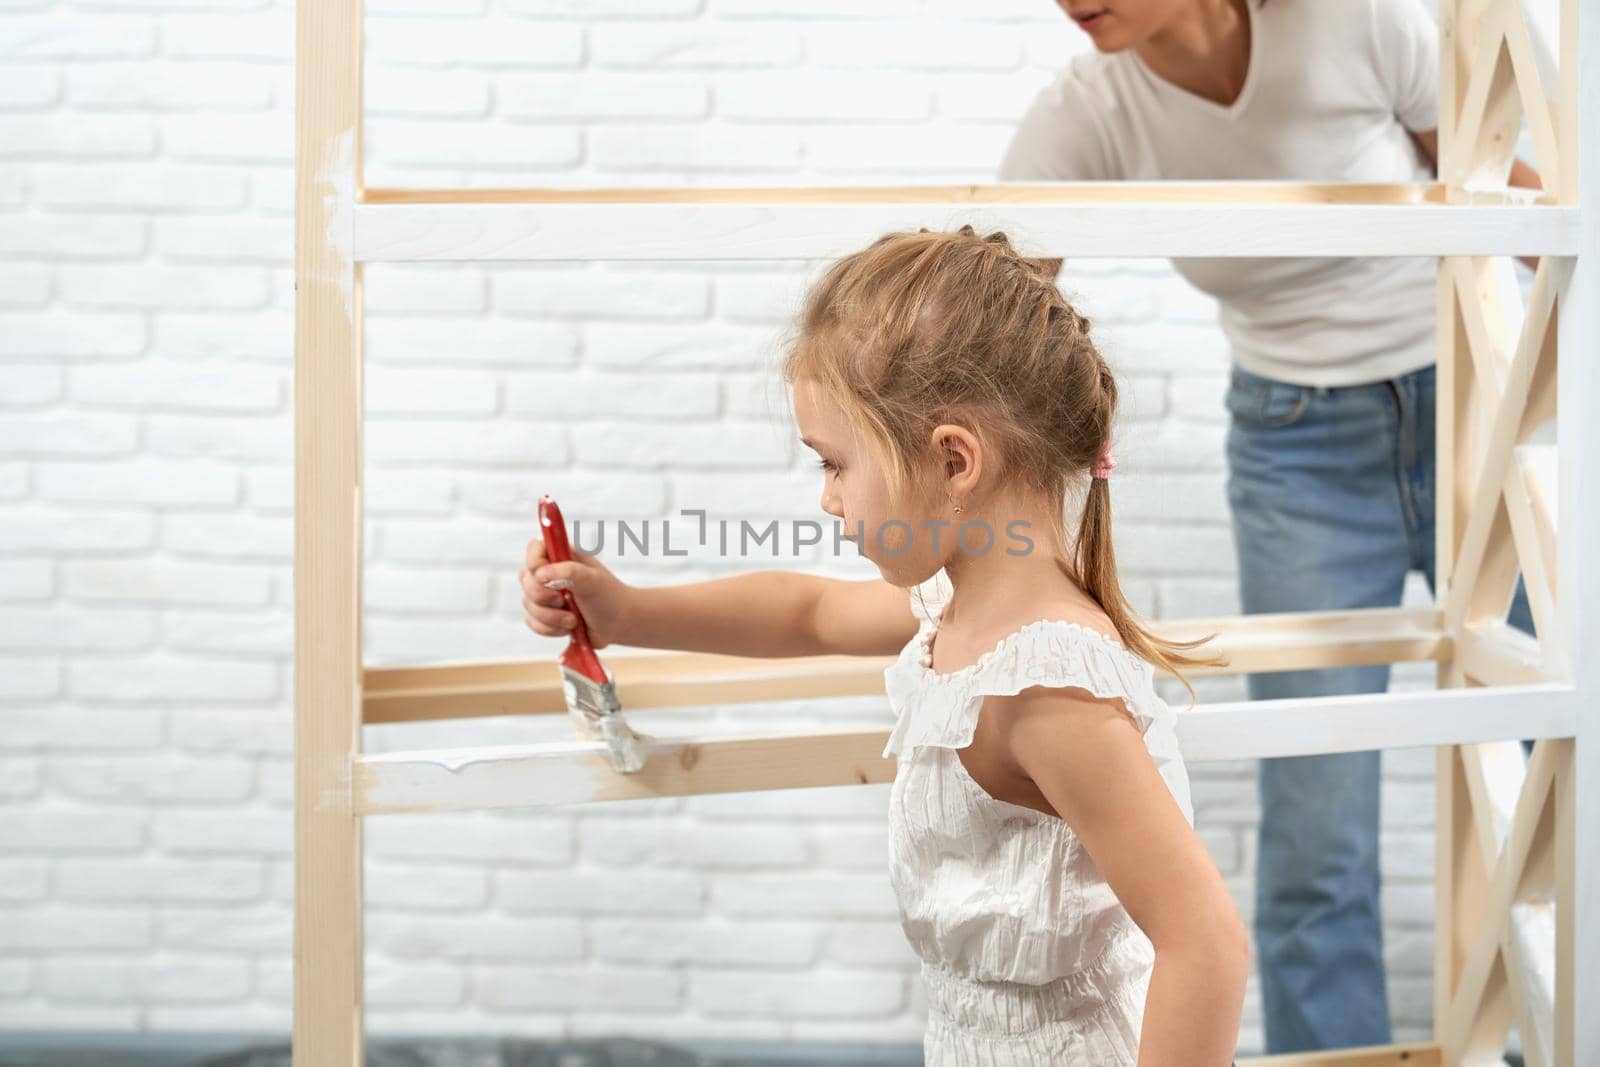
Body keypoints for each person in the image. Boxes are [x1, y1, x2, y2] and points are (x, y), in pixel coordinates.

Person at [519, 226, 1247, 1065]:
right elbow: (807, 613)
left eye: (834, 464)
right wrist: (626, 612)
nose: (829, 499)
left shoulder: (1042, 692)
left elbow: (1207, 943)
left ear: (952, 461)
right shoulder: (961, 607)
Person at [997, 0, 1541, 1054]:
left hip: (1475, 408)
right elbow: (991, 298)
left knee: (1553, 782)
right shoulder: (1090, 109)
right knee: (1316, 823)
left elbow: (1504, 202)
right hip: (1300, 454)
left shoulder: (1356, 21)